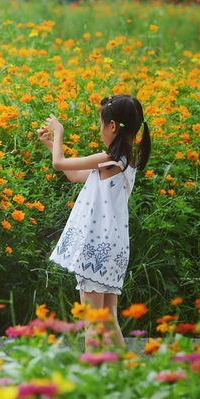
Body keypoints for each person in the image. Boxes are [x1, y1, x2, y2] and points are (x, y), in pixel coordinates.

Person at [37, 95, 151, 352]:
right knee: (107, 317)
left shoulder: (108, 159)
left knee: (92, 322)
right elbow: (73, 174)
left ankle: (93, 380)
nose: (99, 130)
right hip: (113, 246)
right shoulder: (123, 160)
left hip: (95, 246)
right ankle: (127, 372)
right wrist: (51, 144)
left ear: (112, 126)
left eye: (101, 124)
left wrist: (59, 132)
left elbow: (58, 164)